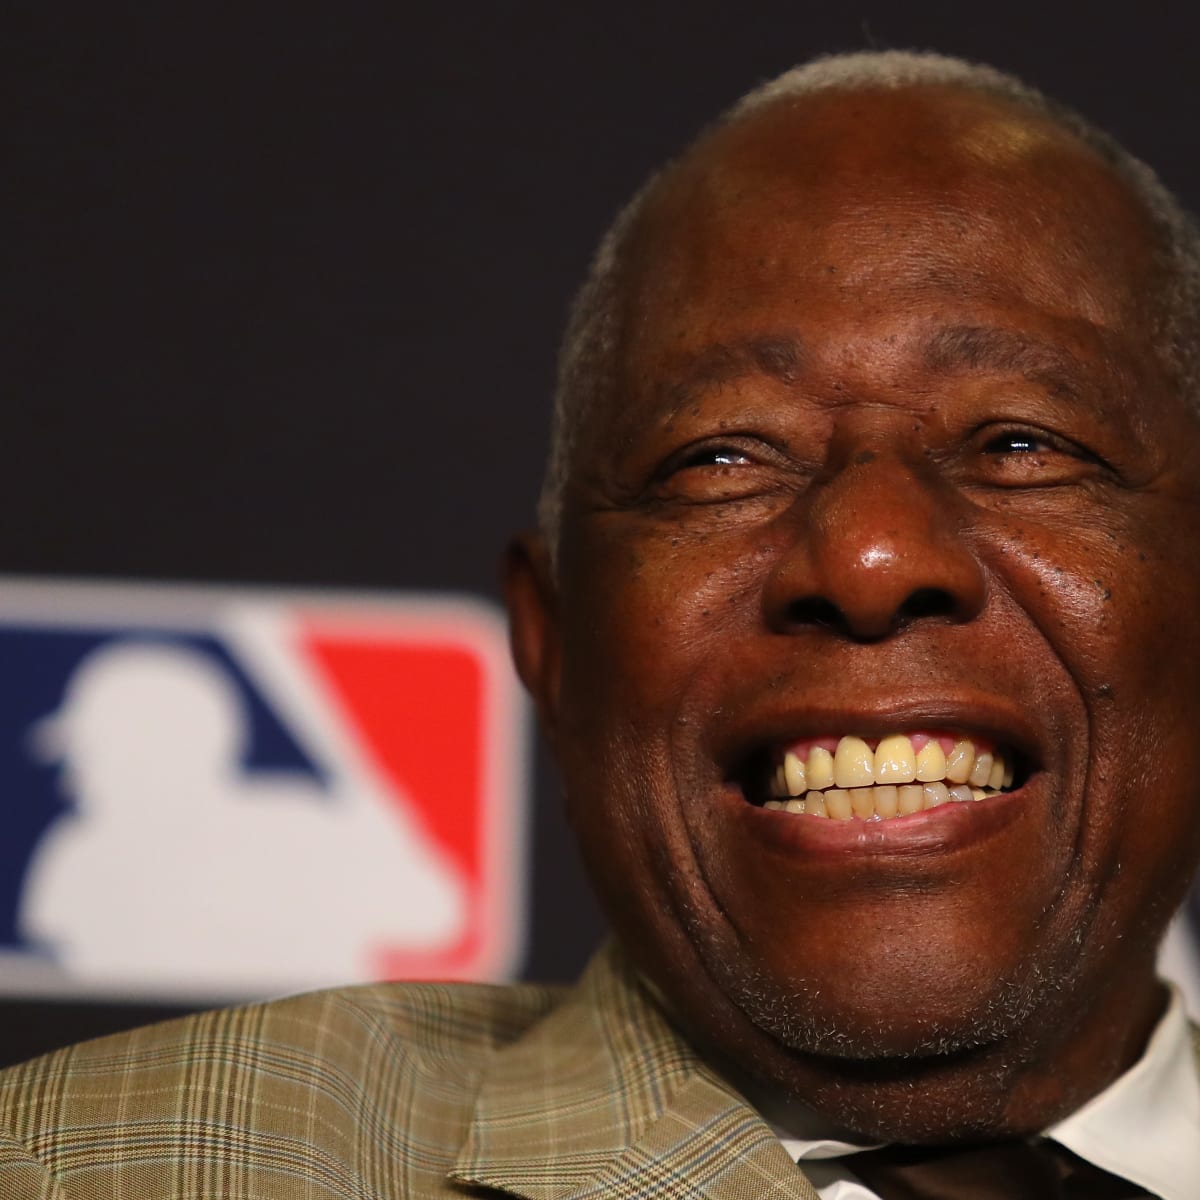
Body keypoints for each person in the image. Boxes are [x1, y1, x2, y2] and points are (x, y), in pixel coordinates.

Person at [1, 49, 1198, 1199]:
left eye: (1022, 444)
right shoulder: (83, 1174)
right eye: (724, 456)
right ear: (555, 650)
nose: (871, 556)